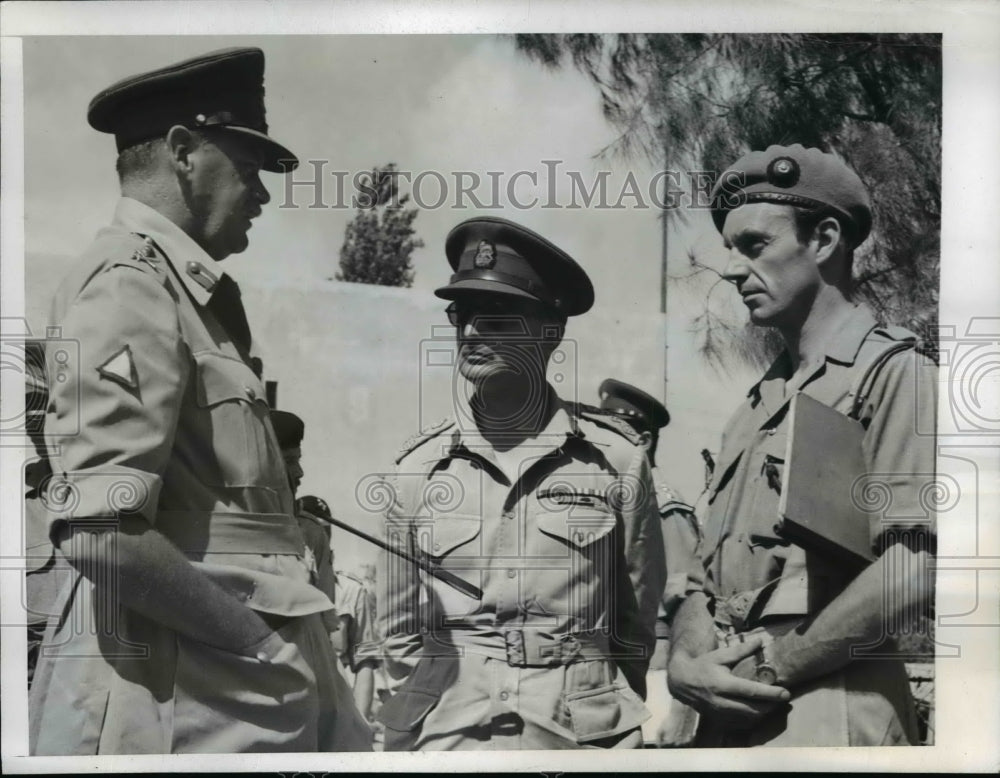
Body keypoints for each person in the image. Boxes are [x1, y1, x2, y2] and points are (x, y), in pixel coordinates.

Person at [31, 47, 370, 754]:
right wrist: (257, 649)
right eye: (248, 167)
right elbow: (101, 530)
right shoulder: (129, 282)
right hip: (193, 698)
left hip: (227, 690)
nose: (263, 194)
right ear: (184, 152)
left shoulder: (187, 294)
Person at [667, 144, 936, 746]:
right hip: (726, 707)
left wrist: (769, 671)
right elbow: (700, 581)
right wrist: (687, 662)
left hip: (827, 709)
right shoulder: (753, 407)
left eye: (754, 246)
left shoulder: (893, 374)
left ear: (824, 240)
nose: (733, 270)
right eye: (730, 250)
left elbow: (911, 572)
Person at [375, 216, 667, 750]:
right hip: (449, 733)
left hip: (578, 733)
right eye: (462, 315)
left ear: (550, 331)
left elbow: (635, 619)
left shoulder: (615, 461)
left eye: (497, 317)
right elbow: (398, 630)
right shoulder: (416, 471)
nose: (470, 333)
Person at [597, 379, 702, 746]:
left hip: (655, 677)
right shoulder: (609, 497)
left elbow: (692, 600)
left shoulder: (664, 508)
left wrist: (682, 707)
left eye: (614, 432)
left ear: (643, 442)